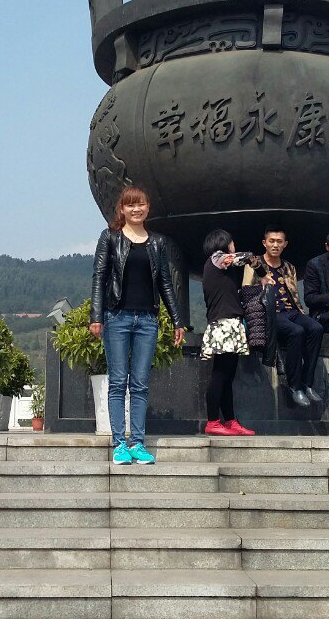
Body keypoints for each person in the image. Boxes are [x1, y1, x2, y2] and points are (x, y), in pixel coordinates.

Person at [89, 186, 184, 466]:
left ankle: (138, 443)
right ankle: (119, 443)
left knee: (140, 384)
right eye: (130, 205)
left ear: (147, 208)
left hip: (147, 320)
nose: (135, 209)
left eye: (140, 204)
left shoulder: (157, 243)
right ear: (122, 209)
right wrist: (96, 316)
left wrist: (177, 319)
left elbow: (165, 282)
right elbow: (99, 277)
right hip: (117, 317)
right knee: (118, 382)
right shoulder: (110, 237)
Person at [244, 229, 323, 407]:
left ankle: (307, 383)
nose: (275, 245)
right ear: (264, 243)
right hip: (270, 314)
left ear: (285, 244)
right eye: (271, 241)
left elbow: (294, 294)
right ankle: (294, 386)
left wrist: (301, 312)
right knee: (296, 332)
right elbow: (246, 291)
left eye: (279, 241)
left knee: (316, 328)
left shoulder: (289, 267)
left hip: (292, 311)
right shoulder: (254, 264)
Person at [201, 229, 267, 436]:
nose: (234, 245)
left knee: (228, 376)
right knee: (220, 375)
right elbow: (246, 257)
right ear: (223, 243)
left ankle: (230, 421)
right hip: (223, 325)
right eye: (232, 242)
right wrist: (263, 274)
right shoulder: (218, 259)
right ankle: (213, 421)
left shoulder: (221, 266)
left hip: (231, 323)